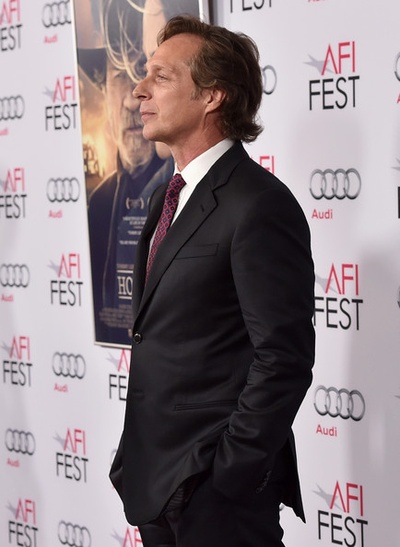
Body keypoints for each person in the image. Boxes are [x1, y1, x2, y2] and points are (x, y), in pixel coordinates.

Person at [110, 15, 315, 547]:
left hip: (215, 495)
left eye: (161, 76)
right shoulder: (165, 199)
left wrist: (227, 475)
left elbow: (284, 358)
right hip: (153, 480)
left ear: (212, 95)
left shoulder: (259, 204)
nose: (139, 90)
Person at [76, 0, 198, 346]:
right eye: (120, 77)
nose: (134, 99)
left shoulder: (193, 195)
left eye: (155, 77)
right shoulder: (99, 204)